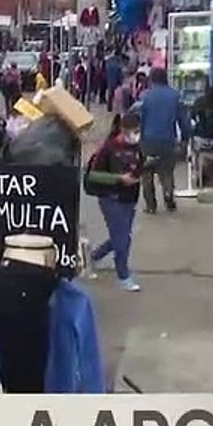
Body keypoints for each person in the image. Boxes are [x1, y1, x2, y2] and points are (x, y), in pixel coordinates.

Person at [86, 113, 145, 292]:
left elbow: (138, 167)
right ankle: (123, 276)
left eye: (137, 131)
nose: (135, 135)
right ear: (123, 130)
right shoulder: (108, 148)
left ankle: (92, 257)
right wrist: (118, 178)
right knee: (122, 239)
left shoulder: (137, 148)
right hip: (110, 198)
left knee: (121, 235)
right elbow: (93, 174)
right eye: (132, 131)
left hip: (129, 198)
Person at [137, 67, 192, 214]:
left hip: (148, 141)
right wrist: (186, 137)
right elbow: (183, 120)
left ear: (152, 79)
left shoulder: (145, 96)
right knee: (167, 172)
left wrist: (138, 140)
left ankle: (150, 205)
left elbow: (139, 119)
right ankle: (169, 198)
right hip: (168, 141)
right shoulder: (175, 96)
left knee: (147, 174)